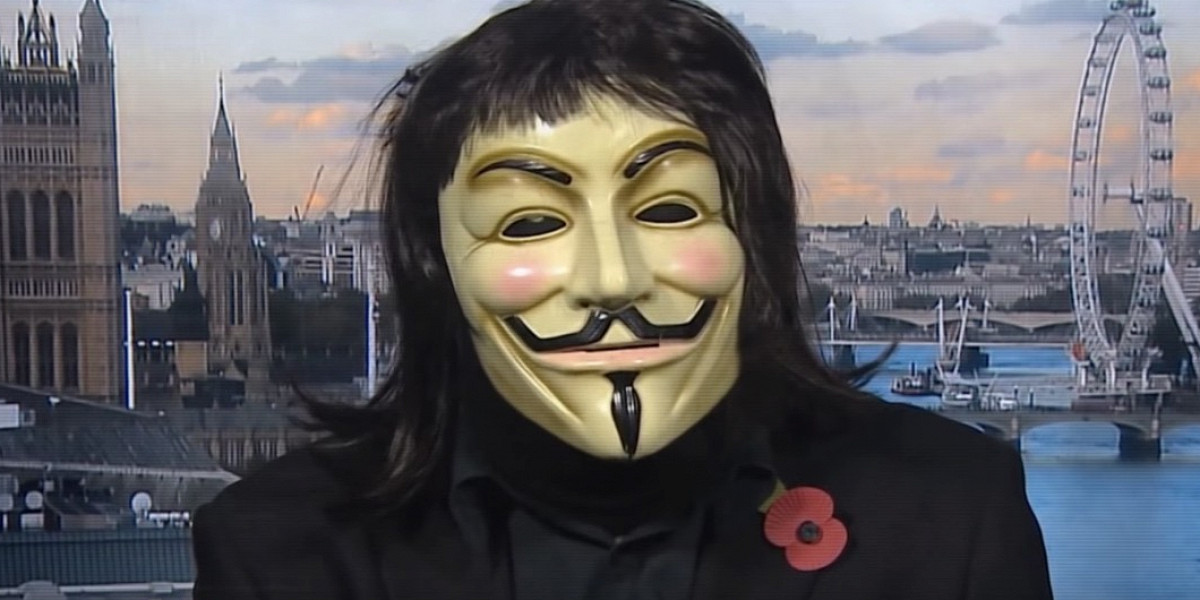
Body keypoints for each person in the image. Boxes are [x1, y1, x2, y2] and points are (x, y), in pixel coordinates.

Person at [191, 1, 1054, 598]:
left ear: (755, 233)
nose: (611, 277)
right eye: (531, 223)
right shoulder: (279, 554)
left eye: (669, 210)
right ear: (433, 262)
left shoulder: (951, 516)